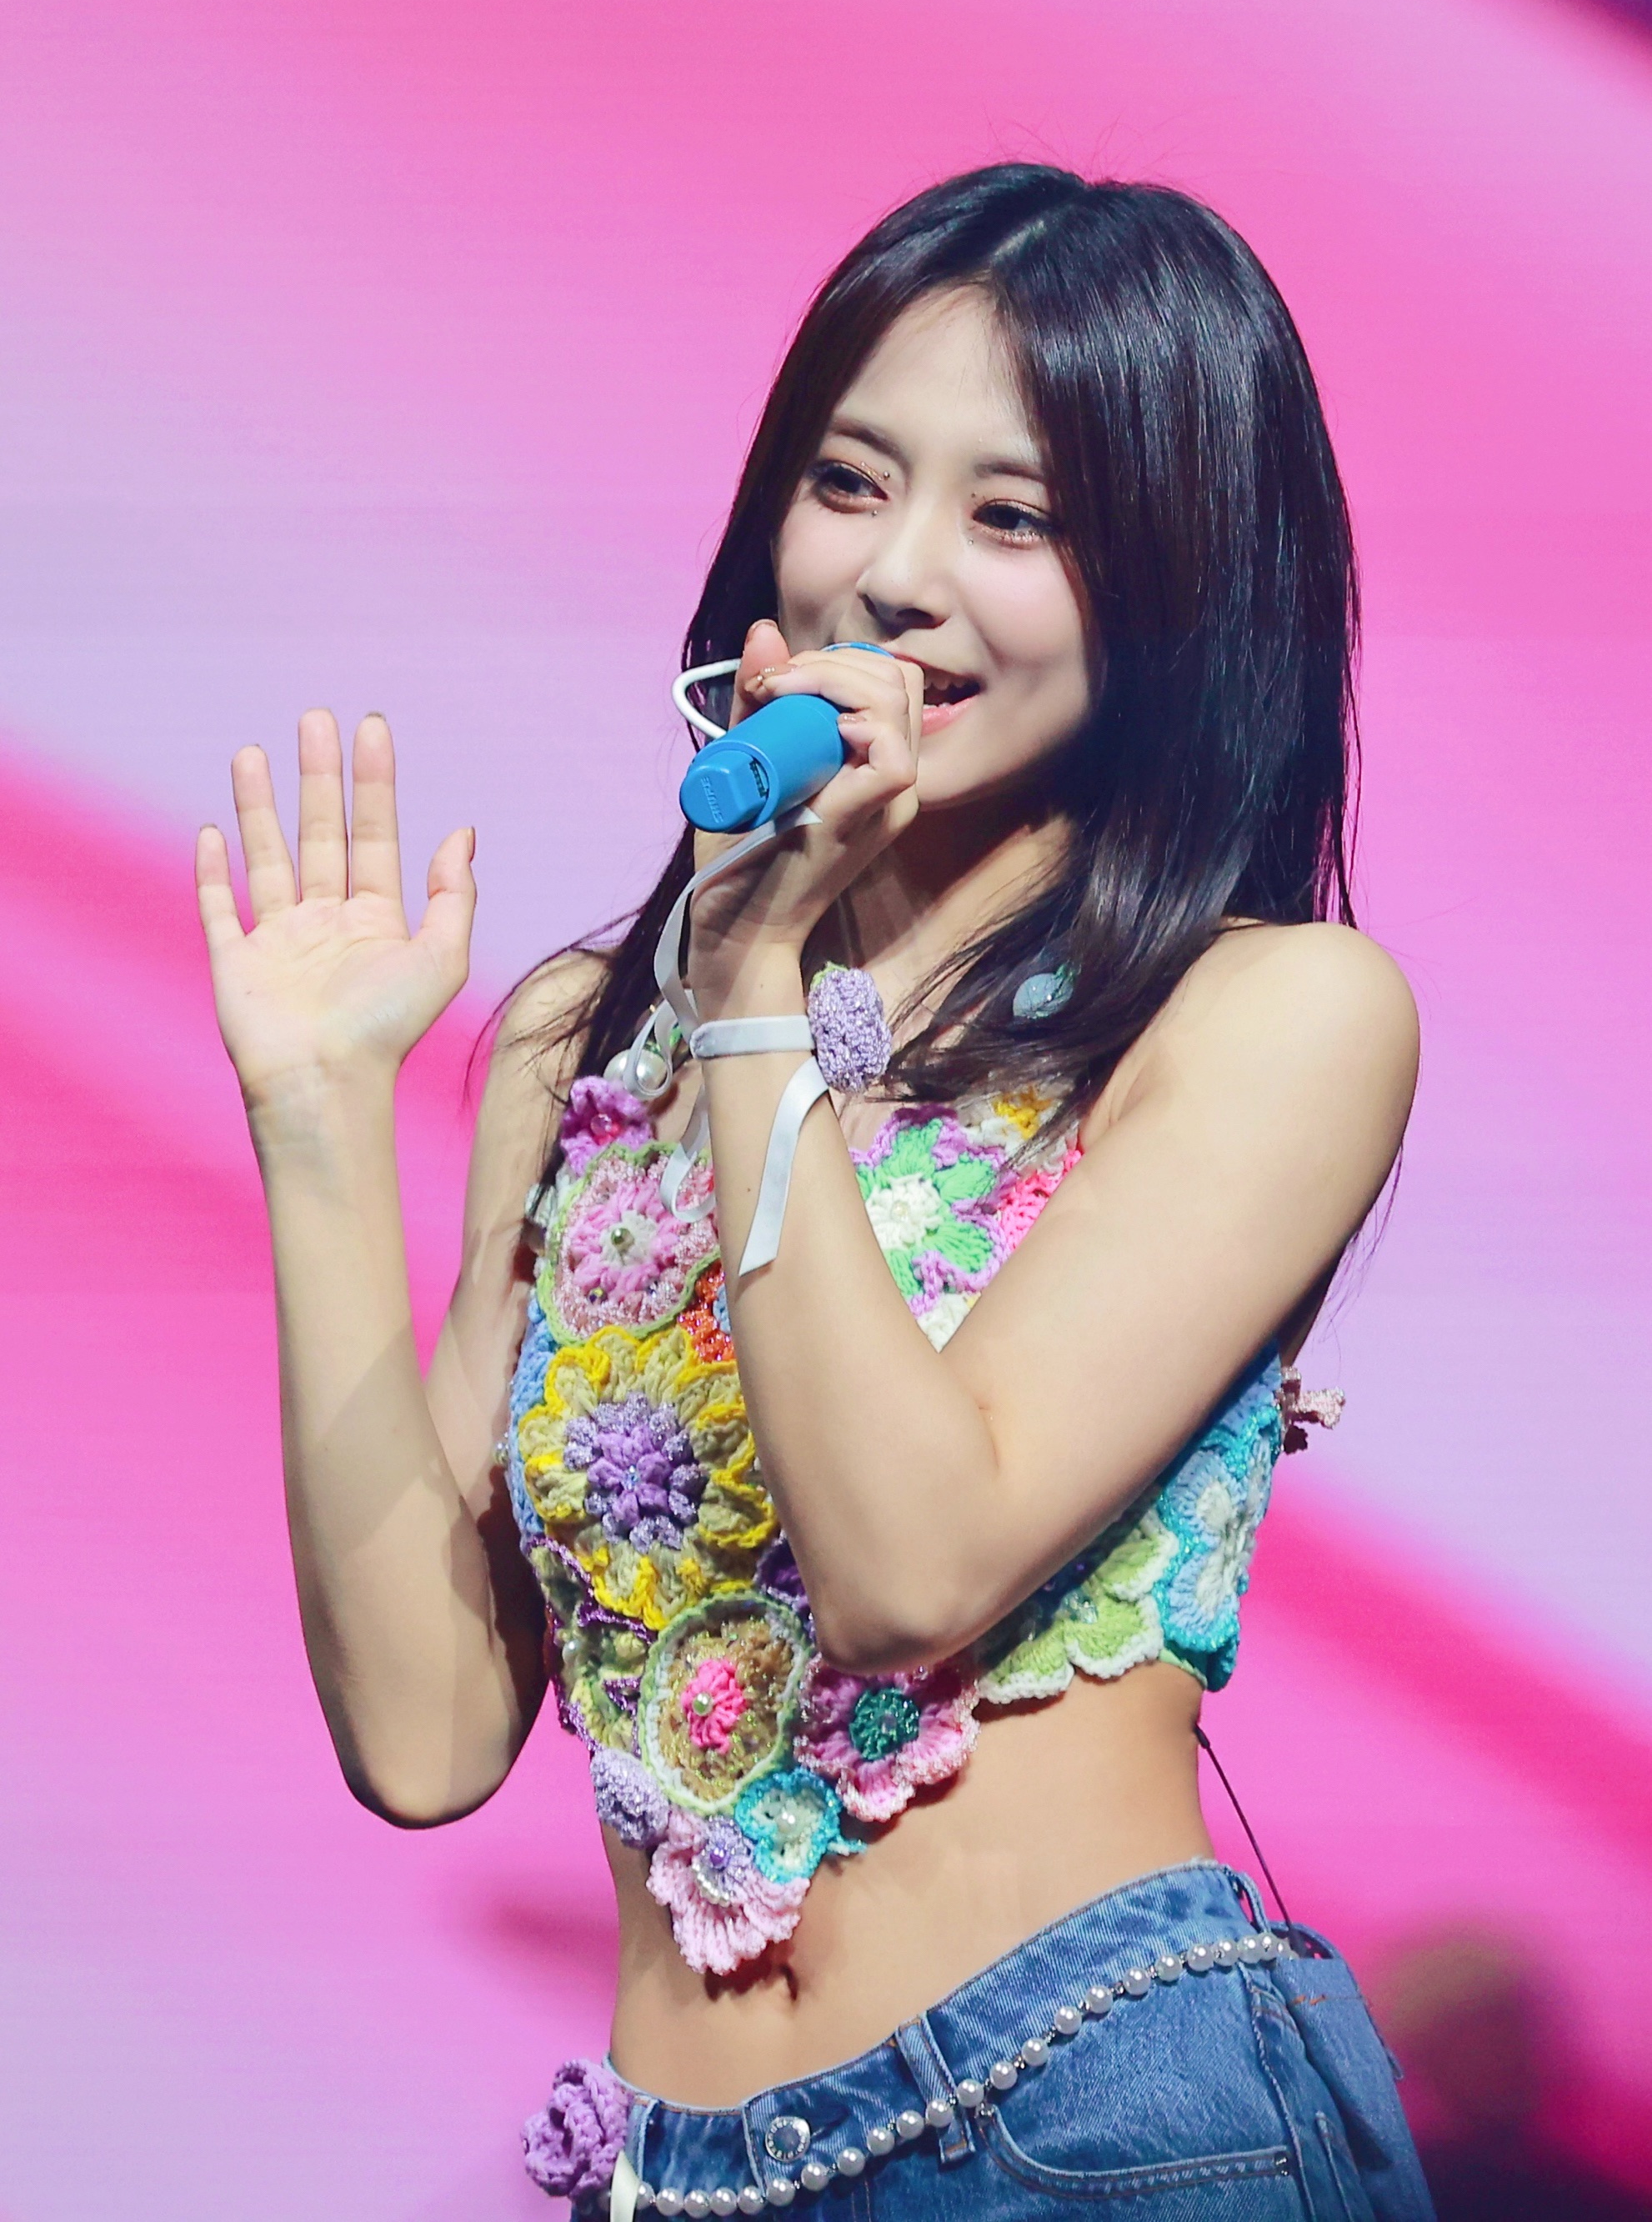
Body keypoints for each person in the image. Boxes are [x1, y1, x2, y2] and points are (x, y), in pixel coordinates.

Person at [197, 164, 1433, 2219]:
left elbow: (906, 1565)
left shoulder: (1268, 1015)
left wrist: (758, 972)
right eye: (849, 483)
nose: (896, 578)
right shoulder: (589, 1033)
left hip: (1091, 2127)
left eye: (1014, 517)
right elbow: (422, 1736)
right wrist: (316, 1115)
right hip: (677, 2167)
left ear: (1178, 587)